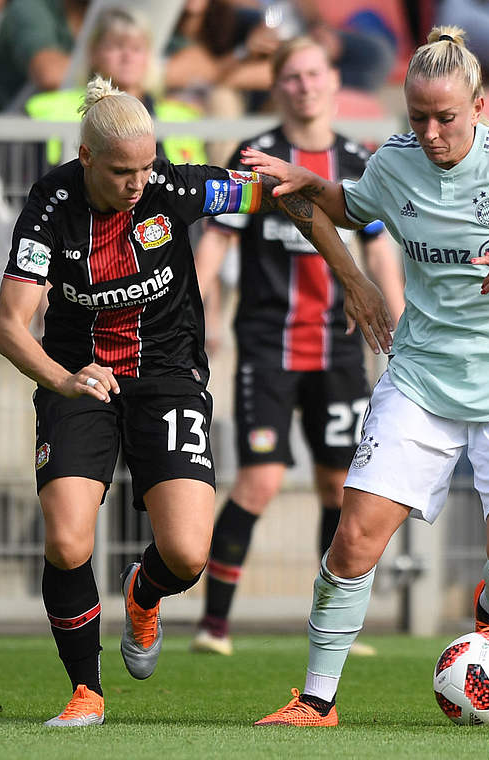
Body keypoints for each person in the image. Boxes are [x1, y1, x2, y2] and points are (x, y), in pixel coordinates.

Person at [241, 26, 489, 726]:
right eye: (418, 118)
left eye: (446, 117)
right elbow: (343, 210)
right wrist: (320, 206)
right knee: (354, 536)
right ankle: (316, 699)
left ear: (478, 104)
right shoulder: (396, 161)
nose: (432, 132)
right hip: (422, 377)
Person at [0, 75, 392, 727]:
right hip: (80, 379)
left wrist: (352, 277)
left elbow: (288, 198)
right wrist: (63, 380)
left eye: (148, 165)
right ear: (86, 157)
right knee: (67, 540)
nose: (138, 183)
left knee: (186, 555)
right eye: (123, 171)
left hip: (168, 377)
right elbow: (10, 326)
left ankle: (143, 593)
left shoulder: (175, 187)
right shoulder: (49, 206)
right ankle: (86, 691)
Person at [188, 37, 406, 657]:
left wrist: (399, 319)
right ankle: (214, 625)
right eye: (292, 76)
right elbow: (217, 243)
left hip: (338, 351)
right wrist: (193, 313)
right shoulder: (257, 156)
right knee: (258, 480)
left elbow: (378, 247)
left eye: (314, 73)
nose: (304, 85)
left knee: (339, 486)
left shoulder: (359, 157)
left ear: (333, 80)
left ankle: (331, 626)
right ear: (277, 85)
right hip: (267, 344)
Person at [24, 7, 208, 166]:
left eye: (136, 49)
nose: (127, 56)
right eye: (116, 46)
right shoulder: (48, 109)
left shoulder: (181, 116)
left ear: (149, 57)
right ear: (94, 53)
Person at [0, 0, 87, 112]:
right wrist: (99, 65)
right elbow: (49, 74)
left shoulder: (95, 10)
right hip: (5, 121)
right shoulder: (29, 6)